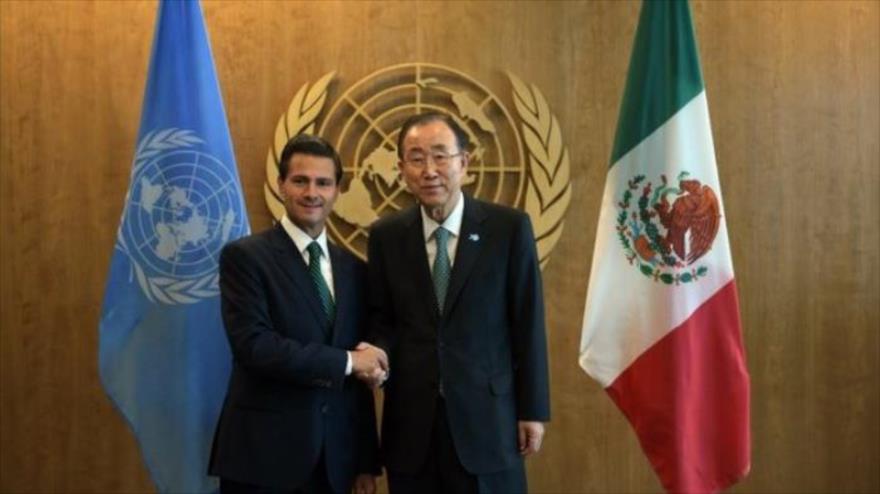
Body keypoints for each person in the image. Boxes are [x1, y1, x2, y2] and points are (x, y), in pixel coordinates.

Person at [367, 113, 550, 493]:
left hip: (489, 423)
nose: (429, 170)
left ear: (464, 163)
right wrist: (376, 353)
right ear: (401, 169)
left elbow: (528, 322)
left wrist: (533, 410)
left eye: (440, 156)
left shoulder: (508, 229)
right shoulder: (386, 236)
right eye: (416, 158)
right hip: (412, 426)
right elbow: (382, 319)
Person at [209, 134, 388, 494]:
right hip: (263, 459)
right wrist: (348, 361)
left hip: (336, 463)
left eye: (323, 183)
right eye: (300, 181)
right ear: (281, 185)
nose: (312, 193)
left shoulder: (354, 269)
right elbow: (255, 347)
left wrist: (365, 461)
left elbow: (359, 375)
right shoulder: (245, 258)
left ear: (338, 190)